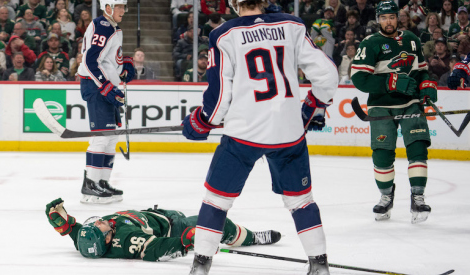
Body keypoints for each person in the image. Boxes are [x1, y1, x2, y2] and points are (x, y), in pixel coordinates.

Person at [181, 0, 338, 274]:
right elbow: (327, 75)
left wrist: (202, 121)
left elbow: (219, 99)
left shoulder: (223, 34)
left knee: (216, 200)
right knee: (301, 201)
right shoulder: (292, 24)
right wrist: (316, 105)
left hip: (243, 135)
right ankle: (319, 265)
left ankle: (200, 266)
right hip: (289, 132)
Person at [351, 1, 436, 224]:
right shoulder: (371, 44)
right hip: (381, 106)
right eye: (384, 17)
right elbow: (359, 78)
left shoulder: (411, 39)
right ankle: (386, 196)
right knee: (382, 152)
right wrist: (390, 82)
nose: (388, 21)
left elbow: (421, 70)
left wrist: (427, 84)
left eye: (392, 17)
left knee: (418, 146)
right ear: (378, 19)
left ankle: (417, 196)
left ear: (398, 17)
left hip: (411, 102)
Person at [45, 198, 281, 260]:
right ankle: (250, 238)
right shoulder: (127, 241)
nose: (97, 222)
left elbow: (79, 237)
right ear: (108, 239)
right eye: (98, 226)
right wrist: (185, 241)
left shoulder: (90, 240)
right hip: (172, 227)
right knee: (217, 221)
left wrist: (68, 227)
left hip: (157, 214)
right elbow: (155, 249)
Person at [76, 0, 135, 204]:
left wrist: (123, 69)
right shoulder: (102, 27)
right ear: (108, 7)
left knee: (110, 137)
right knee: (102, 137)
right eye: (118, 6)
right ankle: (90, 185)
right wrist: (105, 85)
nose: (122, 11)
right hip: (96, 86)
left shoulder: (113, 28)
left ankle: (102, 182)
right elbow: (90, 61)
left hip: (106, 87)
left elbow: (109, 60)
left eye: (123, 7)